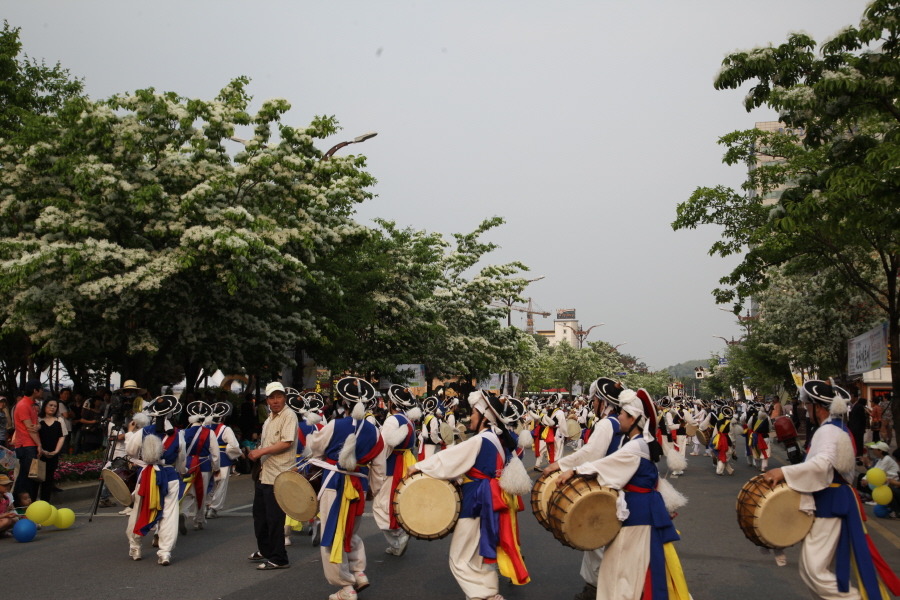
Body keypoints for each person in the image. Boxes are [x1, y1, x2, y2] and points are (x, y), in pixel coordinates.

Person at [765, 380, 900, 599]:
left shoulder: (828, 431)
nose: (805, 408)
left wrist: (784, 473)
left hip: (831, 501)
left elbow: (823, 465)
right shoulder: (834, 428)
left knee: (814, 570)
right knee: (816, 570)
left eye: (807, 404)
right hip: (833, 499)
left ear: (817, 407)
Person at [556, 388, 691, 600]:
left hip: (638, 514)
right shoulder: (636, 443)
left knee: (622, 570)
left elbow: (605, 465)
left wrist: (573, 470)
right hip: (640, 510)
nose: (618, 416)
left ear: (634, 418)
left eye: (622, 414)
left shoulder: (635, 447)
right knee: (631, 567)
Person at [409, 389, 531, 600]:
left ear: (484, 417)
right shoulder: (497, 439)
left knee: (460, 557)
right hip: (489, 498)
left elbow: (450, 459)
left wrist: (420, 467)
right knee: (480, 553)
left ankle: (485, 595)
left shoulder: (481, 439)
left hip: (477, 499)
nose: (470, 417)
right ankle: (487, 593)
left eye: (474, 413)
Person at [543, 377, 627, 600]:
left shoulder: (608, 423)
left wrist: (560, 464)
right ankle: (595, 589)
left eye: (595, 400)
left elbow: (591, 454)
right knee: (602, 542)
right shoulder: (623, 423)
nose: (592, 404)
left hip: (606, 490)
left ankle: (602, 591)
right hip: (619, 488)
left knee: (599, 541)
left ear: (602, 401)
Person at [307, 376, 386, 600]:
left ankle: (345, 586)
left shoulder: (334, 425)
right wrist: (373, 490)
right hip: (358, 486)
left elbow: (315, 449)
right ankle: (358, 572)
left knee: (331, 534)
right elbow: (379, 468)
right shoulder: (375, 432)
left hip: (334, 484)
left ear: (343, 400)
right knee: (350, 530)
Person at [125, 397, 186, 566]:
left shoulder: (143, 432)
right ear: (171, 413)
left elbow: (130, 450)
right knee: (169, 514)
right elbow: (181, 460)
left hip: (146, 475)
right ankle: (165, 552)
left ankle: (135, 546)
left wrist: (143, 460)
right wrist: (182, 472)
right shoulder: (178, 435)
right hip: (170, 475)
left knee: (139, 510)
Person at [247, 382, 297, 571]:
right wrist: (257, 451)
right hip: (264, 473)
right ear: (267, 400)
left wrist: (260, 452)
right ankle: (266, 550)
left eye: (279, 397)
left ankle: (279, 557)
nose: (276, 401)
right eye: (272, 397)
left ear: (284, 397)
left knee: (275, 518)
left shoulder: (289, 415)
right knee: (260, 515)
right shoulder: (269, 418)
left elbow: (286, 442)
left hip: (280, 474)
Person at [373, 384, 421, 557]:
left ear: (392, 402)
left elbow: (384, 447)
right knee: (396, 502)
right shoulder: (408, 420)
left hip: (394, 464)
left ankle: (398, 538)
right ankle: (397, 540)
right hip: (406, 460)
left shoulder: (393, 420)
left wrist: (375, 467)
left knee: (383, 505)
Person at [181, 403, 220, 532]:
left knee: (186, 493)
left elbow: (180, 451)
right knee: (200, 493)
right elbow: (215, 453)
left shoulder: (184, 432)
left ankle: (183, 513)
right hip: (202, 465)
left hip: (187, 465)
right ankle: (198, 521)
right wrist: (216, 468)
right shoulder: (209, 432)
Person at [206, 402, 242, 520]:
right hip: (222, 459)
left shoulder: (205, 428)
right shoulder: (225, 429)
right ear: (224, 417)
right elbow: (233, 446)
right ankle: (213, 508)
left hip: (207, 459)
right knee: (220, 484)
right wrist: (235, 454)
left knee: (209, 483)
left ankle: (206, 505)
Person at [12, 381, 43, 506]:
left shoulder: (30, 405)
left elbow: (35, 426)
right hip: (26, 445)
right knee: (26, 478)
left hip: (29, 444)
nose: (42, 392)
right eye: (41, 389)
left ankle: (25, 505)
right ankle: (19, 505)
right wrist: (39, 445)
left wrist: (38, 427)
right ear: (35, 390)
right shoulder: (24, 405)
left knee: (28, 477)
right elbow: (30, 428)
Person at [36, 398, 68, 502]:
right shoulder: (38, 420)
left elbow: (62, 436)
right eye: (50, 405)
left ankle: (46, 504)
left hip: (53, 454)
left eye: (55, 406)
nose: (53, 408)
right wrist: (42, 450)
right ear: (44, 406)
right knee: (35, 480)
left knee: (48, 480)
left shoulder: (59, 420)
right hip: (39, 454)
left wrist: (56, 451)